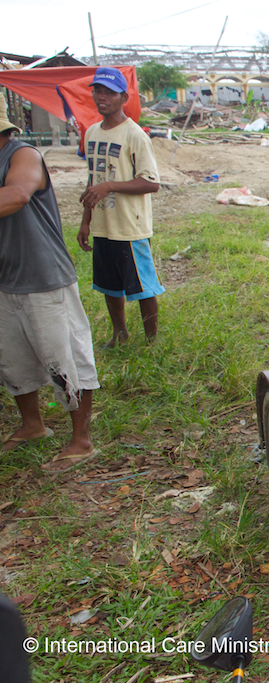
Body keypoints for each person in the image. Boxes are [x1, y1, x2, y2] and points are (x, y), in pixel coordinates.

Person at [0, 93, 99, 472]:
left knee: (66, 359)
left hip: (42, 276)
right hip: (6, 276)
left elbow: (17, 195)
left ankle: (82, 439)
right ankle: (32, 425)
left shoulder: (23, 155)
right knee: (13, 360)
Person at [77, 67, 164, 347]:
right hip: (104, 224)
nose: (102, 97)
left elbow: (151, 182)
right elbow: (94, 181)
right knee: (109, 285)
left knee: (142, 287)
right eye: (97, 91)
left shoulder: (135, 135)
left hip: (130, 226)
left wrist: (111, 186)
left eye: (109, 92)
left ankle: (152, 343)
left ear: (123, 97)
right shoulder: (91, 133)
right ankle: (120, 333)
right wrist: (86, 221)